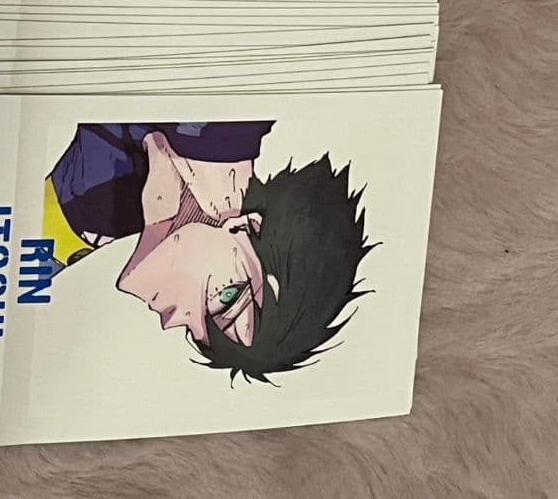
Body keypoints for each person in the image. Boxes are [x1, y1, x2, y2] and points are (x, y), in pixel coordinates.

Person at [43, 120, 375, 383]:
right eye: (225, 299)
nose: (172, 320)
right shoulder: (227, 114)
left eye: (194, 330)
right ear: (249, 228)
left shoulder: (98, 211)